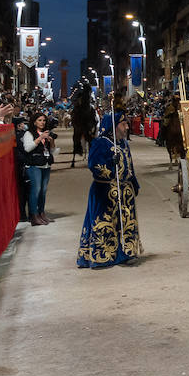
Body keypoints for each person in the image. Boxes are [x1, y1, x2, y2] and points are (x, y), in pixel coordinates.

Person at [77, 111, 142, 269]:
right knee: (104, 223)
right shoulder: (101, 143)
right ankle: (103, 256)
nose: (127, 127)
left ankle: (126, 253)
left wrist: (133, 183)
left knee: (125, 222)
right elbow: (94, 165)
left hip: (124, 192)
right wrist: (110, 170)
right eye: (123, 124)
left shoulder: (123, 143)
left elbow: (130, 165)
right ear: (113, 126)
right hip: (104, 191)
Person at [21, 111, 56, 226]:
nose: (42, 122)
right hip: (34, 165)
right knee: (36, 191)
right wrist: (40, 137)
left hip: (46, 164)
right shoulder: (29, 133)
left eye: (44, 120)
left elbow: (52, 150)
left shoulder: (46, 133)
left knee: (43, 191)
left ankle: (41, 213)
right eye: (40, 120)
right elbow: (27, 148)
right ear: (34, 122)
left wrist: (51, 142)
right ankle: (34, 215)